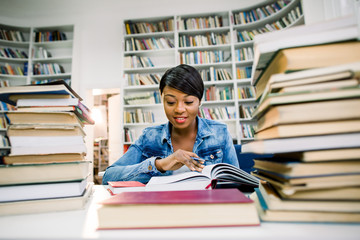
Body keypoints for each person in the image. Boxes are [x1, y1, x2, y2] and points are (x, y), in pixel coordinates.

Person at [102, 64, 239, 184]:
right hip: (162, 211)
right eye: (171, 102)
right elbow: (108, 177)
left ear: (200, 101)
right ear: (162, 97)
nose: (179, 109)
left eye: (189, 102)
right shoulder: (149, 137)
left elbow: (236, 183)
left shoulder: (219, 133)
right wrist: (160, 164)